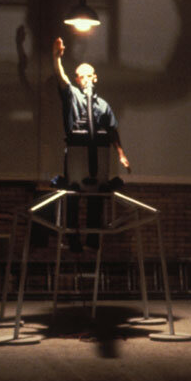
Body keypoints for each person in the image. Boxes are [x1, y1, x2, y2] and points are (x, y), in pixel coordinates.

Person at [52, 37, 130, 250]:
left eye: (89, 75)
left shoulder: (103, 105)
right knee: (73, 194)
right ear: (77, 80)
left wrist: (121, 154)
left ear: (95, 77)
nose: (85, 79)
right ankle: (73, 240)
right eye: (81, 76)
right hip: (77, 155)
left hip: (99, 157)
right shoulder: (73, 97)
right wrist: (56, 59)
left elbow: (112, 130)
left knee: (97, 196)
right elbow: (61, 78)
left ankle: (93, 240)